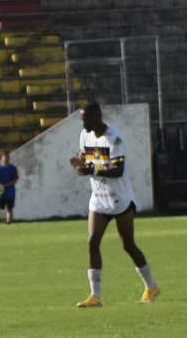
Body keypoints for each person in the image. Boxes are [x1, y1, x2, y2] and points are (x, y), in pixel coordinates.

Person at [68, 101, 159, 307]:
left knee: (128, 245)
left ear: (97, 117)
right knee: (92, 242)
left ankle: (151, 286)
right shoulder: (85, 135)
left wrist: (91, 171)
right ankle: (95, 295)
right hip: (98, 198)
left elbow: (118, 170)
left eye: (85, 120)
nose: (83, 125)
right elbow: (86, 157)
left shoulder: (114, 138)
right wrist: (81, 165)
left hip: (120, 199)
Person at [0, 151, 19, 224]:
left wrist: (7, 185)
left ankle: (8, 223)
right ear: (2, 158)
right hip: (0, 191)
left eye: (7, 157)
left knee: (9, 208)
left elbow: (15, 180)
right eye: (5, 157)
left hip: (10, 191)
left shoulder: (13, 168)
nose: (6, 159)